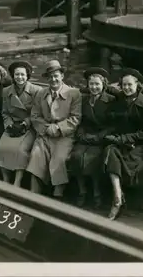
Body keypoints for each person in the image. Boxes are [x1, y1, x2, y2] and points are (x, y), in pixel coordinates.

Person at [25, 60, 82, 199]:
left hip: (64, 135)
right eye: (50, 77)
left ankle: (58, 194)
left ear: (62, 76)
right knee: (36, 155)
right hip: (45, 134)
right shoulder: (41, 93)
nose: (53, 79)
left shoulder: (74, 93)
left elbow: (75, 118)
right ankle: (34, 194)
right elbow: (35, 115)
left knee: (59, 159)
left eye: (56, 75)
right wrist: (46, 128)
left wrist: (57, 128)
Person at [102, 68, 143, 220]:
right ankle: (118, 197)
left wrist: (125, 139)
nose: (126, 88)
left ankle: (117, 200)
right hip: (121, 142)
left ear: (137, 85)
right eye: (124, 85)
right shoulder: (121, 98)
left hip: (139, 145)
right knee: (109, 150)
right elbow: (107, 87)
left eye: (130, 85)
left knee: (113, 152)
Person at [67, 67, 116, 209]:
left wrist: (99, 137)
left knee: (92, 157)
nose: (94, 87)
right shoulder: (84, 100)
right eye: (91, 84)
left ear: (103, 85)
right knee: (76, 156)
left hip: (101, 138)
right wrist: (81, 134)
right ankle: (82, 190)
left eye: (97, 84)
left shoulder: (111, 101)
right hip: (85, 136)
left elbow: (112, 125)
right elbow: (80, 120)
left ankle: (96, 192)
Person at [0, 61, 42, 186]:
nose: (19, 77)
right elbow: (4, 112)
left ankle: (17, 182)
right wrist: (9, 124)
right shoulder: (6, 91)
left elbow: (37, 114)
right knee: (2, 148)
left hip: (29, 127)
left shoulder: (37, 91)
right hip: (12, 125)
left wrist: (25, 123)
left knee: (20, 150)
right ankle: (5, 180)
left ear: (27, 76)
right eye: (17, 75)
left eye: (22, 75)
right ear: (13, 76)